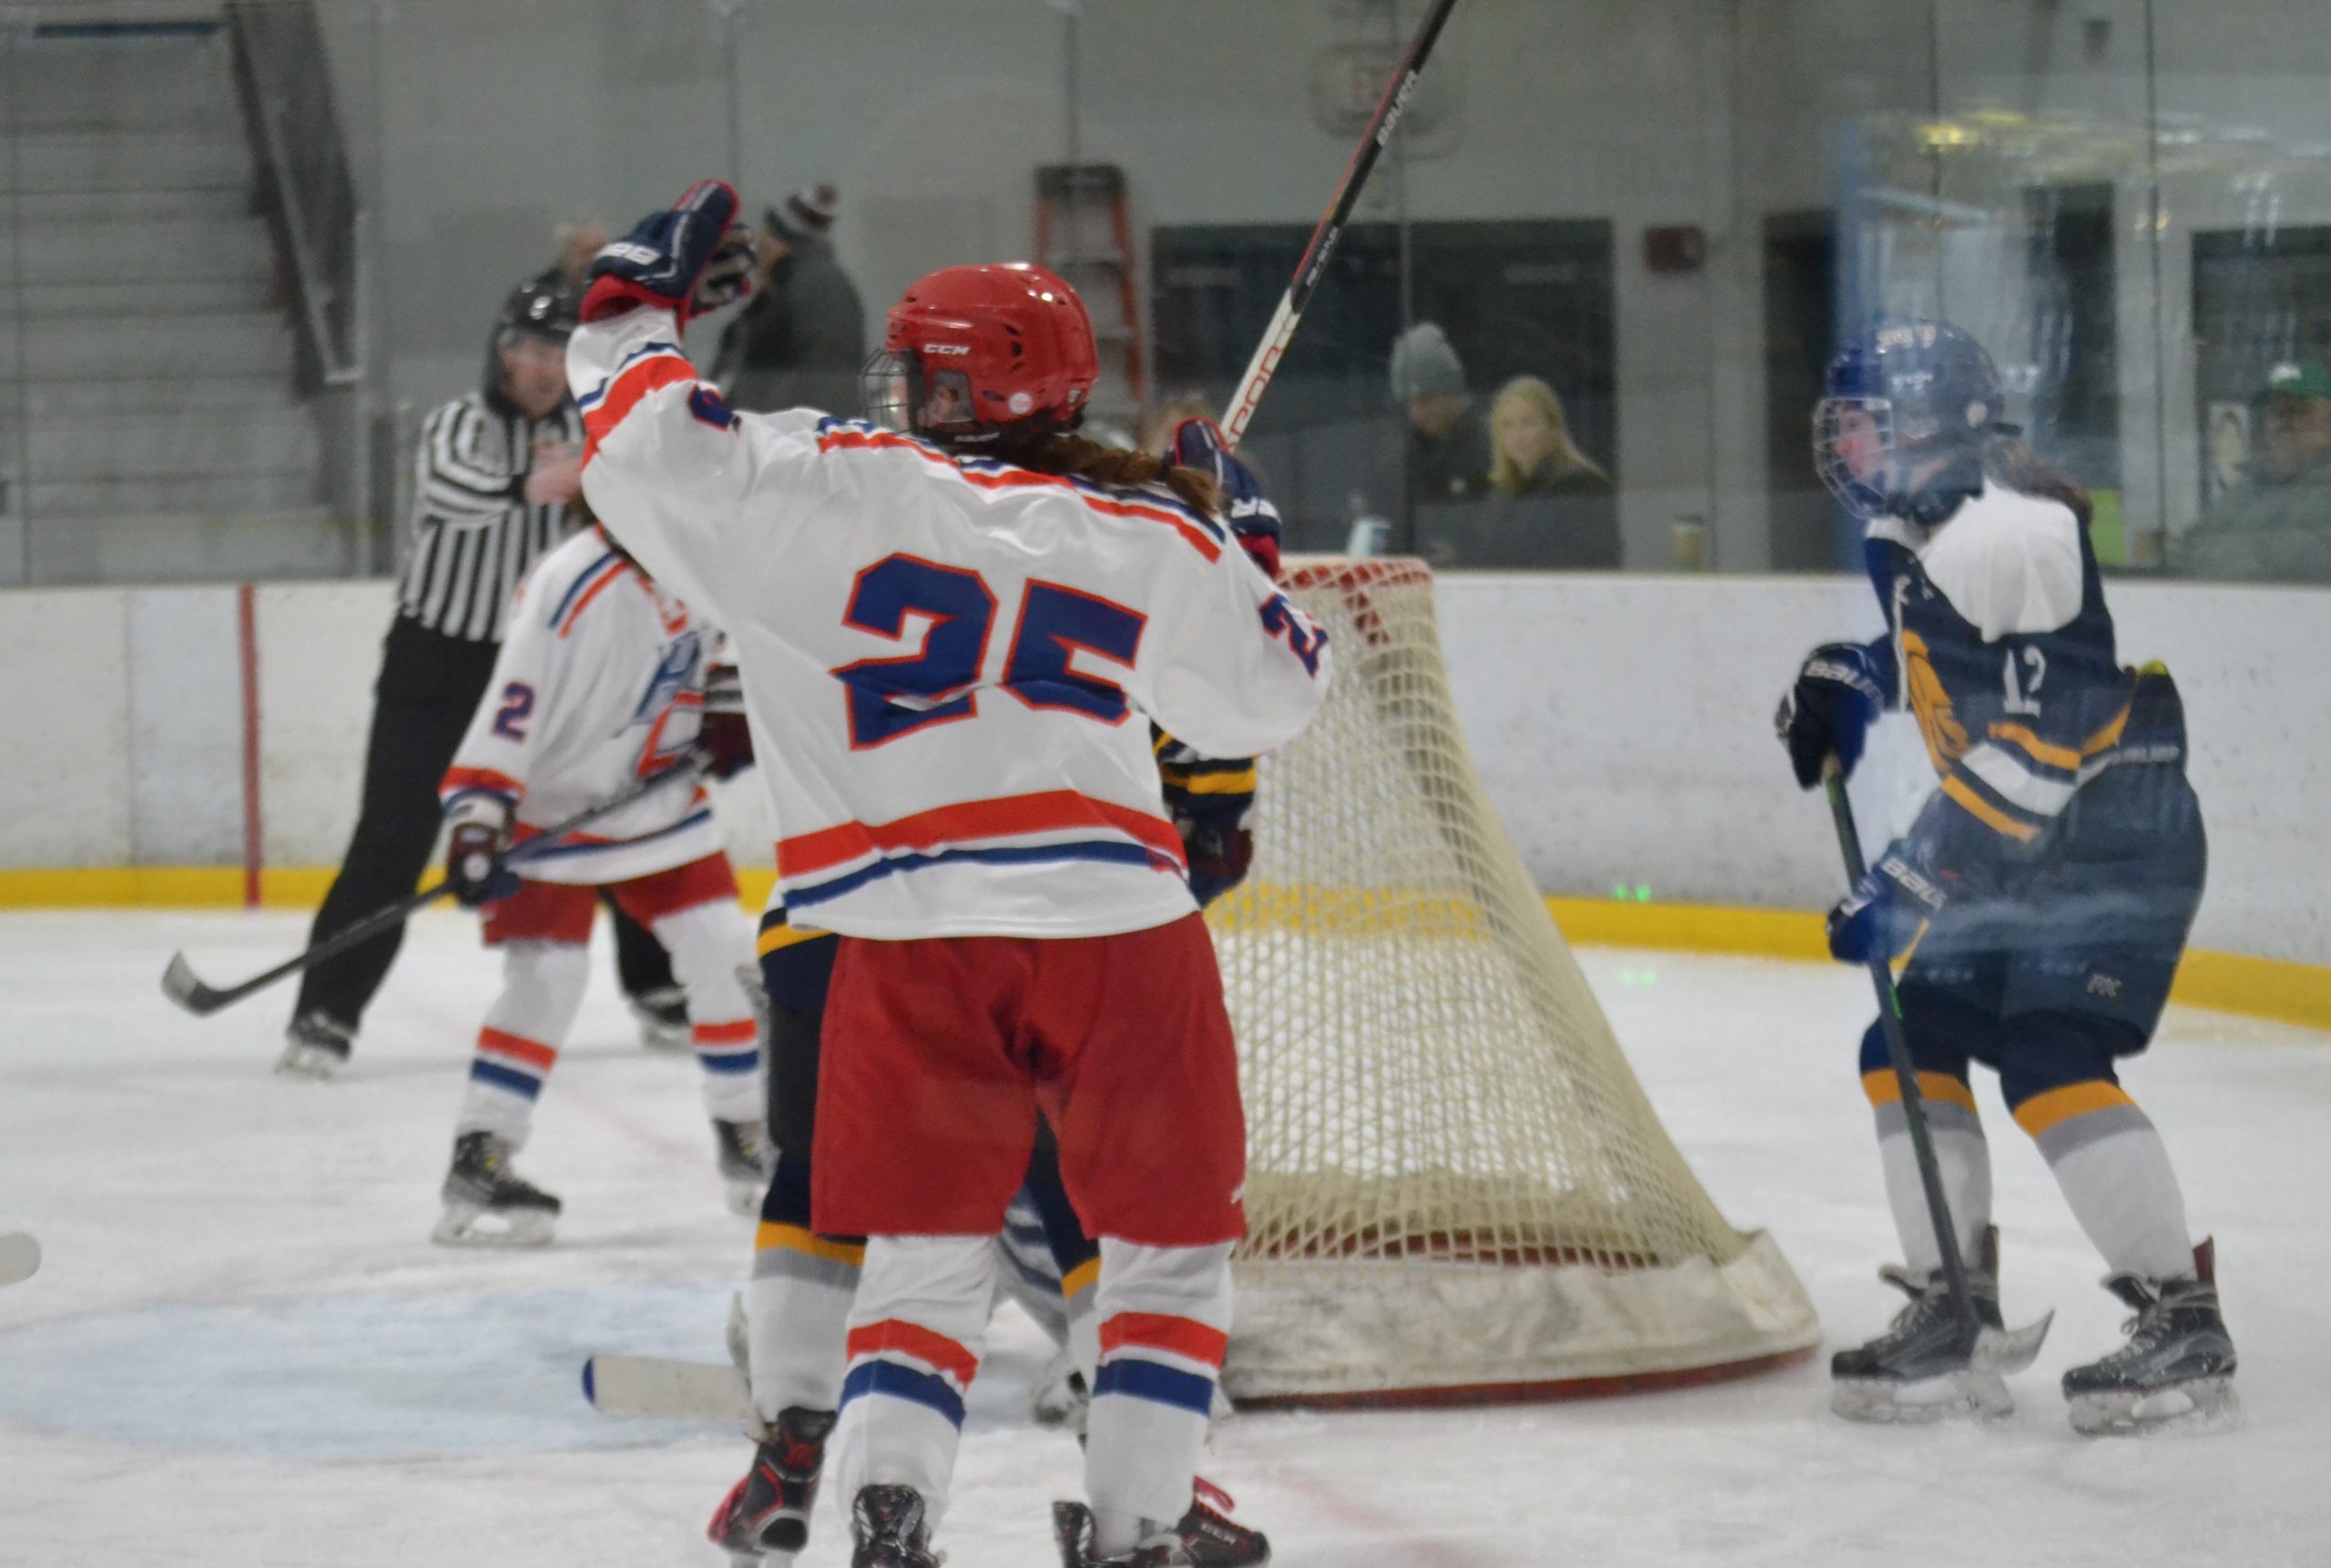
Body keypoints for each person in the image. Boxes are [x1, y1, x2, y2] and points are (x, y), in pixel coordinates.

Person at [568, 180, 1329, 1567]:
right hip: (1120, 932)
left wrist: (627, 313)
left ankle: (889, 1509)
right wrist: (1248, 551)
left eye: (920, 366)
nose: (900, 387)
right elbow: (1271, 698)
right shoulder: (1148, 527)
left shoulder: (840, 484)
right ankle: (1142, 1527)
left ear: (966, 384)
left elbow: (649, 450)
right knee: (1165, 1254)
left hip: (905, 936)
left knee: (921, 1256)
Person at [706, 414, 1281, 1568]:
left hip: (836, 918)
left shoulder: (862, 501)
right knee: (1103, 1203)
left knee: (832, 1190)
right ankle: (1142, 1492)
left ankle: (796, 1446)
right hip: (1028, 928)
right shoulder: (1117, 552)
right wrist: (1234, 561)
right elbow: (1213, 815)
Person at [1780, 319, 2236, 1433]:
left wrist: (1911, 878)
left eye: (1864, 425)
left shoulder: (2015, 528)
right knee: (1905, 1041)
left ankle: (2182, 1317)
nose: (1845, 447)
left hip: (2112, 832)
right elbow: (1957, 660)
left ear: (1930, 423)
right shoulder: (1921, 523)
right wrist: (1857, 679)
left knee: (2046, 1057)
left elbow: (2048, 738)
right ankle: (1955, 1305)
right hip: (2020, 837)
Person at [431, 516, 769, 1243]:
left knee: (723, 952)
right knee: (547, 978)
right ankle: (482, 1152)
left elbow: (731, 639)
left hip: (656, 803)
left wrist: (727, 704)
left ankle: (749, 1134)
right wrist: (479, 811)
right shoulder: (568, 582)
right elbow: (512, 699)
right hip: (551, 810)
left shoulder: (701, 548)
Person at [709, 183, 866, 416]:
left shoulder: (821, 288)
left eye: (769, 233)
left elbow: (828, 389)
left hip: (788, 435)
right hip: (763, 432)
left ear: (781, 242)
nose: (759, 245)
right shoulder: (783, 293)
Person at [2173, 359, 2331, 582]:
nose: (2285, 424)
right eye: (2276, 412)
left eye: (2299, 412)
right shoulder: (2251, 486)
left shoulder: (2323, 489)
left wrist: (2231, 557)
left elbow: (2299, 560)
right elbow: (2190, 546)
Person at [1443, 375, 1619, 569]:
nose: (1518, 436)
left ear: (1553, 428)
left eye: (1528, 423)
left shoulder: (1580, 486)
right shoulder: (1502, 493)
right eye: (1507, 425)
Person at [1389, 321, 1491, 505]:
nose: (1417, 413)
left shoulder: (1493, 446)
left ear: (1451, 391)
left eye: (1425, 400)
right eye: (1409, 403)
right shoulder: (1403, 458)